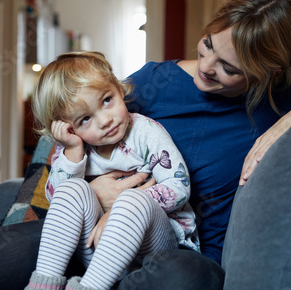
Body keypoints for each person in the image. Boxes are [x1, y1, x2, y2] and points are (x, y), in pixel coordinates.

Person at [0, 0, 291, 290]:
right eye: (207, 45)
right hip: (83, 223)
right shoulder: (153, 81)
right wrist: (84, 192)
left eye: (229, 67)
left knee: (182, 280)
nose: (206, 66)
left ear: (270, 73)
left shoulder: (279, 104)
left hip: (173, 244)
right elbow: (70, 123)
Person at [24, 52, 198, 290]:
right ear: (68, 128)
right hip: (98, 254)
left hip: (155, 246)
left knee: (132, 200)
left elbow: (179, 187)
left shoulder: (144, 131)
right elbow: (57, 202)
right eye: (85, 118)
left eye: (107, 100)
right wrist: (73, 151)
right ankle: (43, 284)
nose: (105, 120)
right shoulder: (73, 147)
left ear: (118, 88)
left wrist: (116, 211)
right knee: (71, 189)